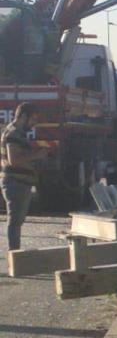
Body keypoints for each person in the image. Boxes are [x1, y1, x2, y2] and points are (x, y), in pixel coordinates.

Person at [2, 104, 49, 250]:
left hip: (19, 182)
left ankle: (14, 255)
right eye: (33, 119)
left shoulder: (16, 132)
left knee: (17, 221)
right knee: (15, 221)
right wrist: (38, 155)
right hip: (16, 183)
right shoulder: (14, 134)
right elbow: (14, 160)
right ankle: (14, 256)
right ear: (23, 116)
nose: (34, 123)